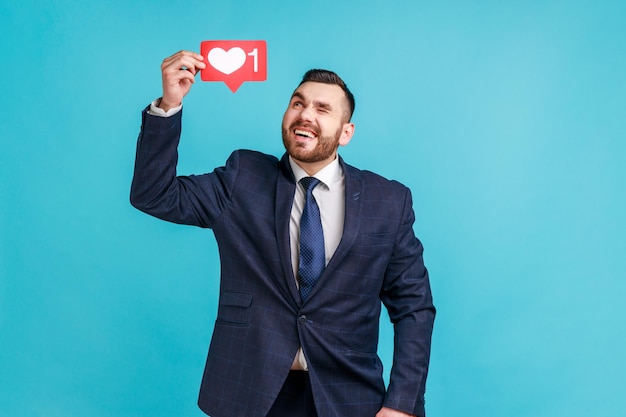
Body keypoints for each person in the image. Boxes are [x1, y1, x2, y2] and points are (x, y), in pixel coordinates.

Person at [130, 50, 435, 417]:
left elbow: (414, 307)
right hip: (251, 393)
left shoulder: (388, 201)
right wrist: (169, 105)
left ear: (346, 132)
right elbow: (154, 194)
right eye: (297, 103)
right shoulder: (243, 178)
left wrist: (401, 404)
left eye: (323, 109)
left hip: (347, 397)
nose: (305, 114)